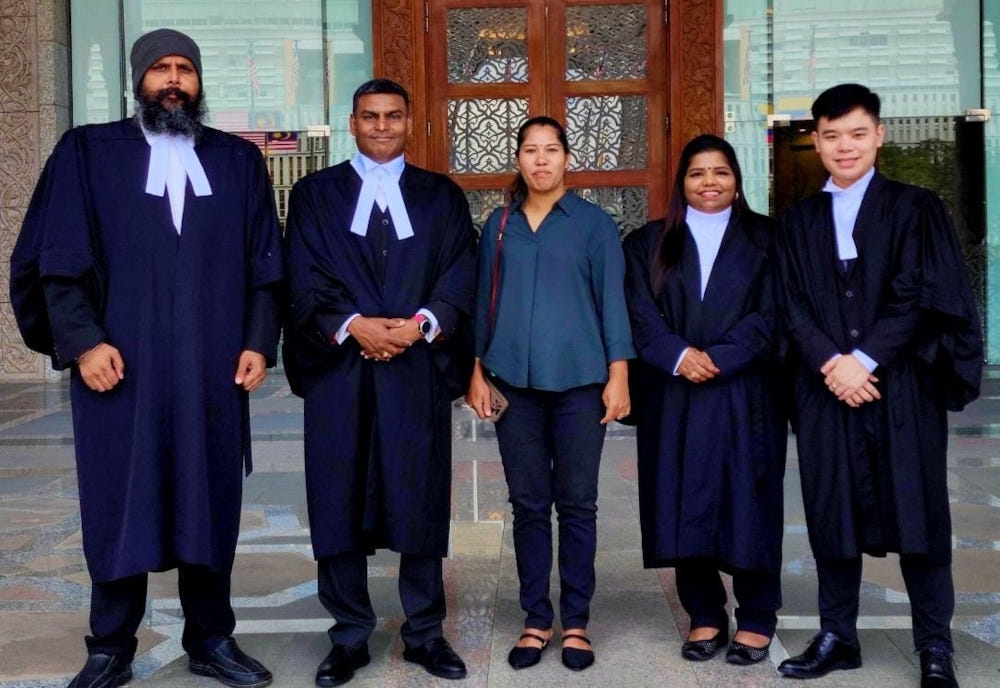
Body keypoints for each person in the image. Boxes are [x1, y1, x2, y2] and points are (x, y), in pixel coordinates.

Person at [14, 28, 283, 688]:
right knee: (119, 499)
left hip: (211, 371)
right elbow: (58, 262)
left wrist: (257, 341)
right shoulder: (87, 153)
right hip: (118, 369)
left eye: (183, 70)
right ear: (138, 81)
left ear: (198, 82)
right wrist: (82, 344)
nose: (172, 81)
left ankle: (212, 640)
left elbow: (266, 269)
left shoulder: (236, 163)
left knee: (209, 500)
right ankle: (110, 646)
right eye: (159, 69)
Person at [773, 83, 982, 688]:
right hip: (825, 391)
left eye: (857, 134)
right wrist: (830, 364)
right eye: (831, 135)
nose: (844, 147)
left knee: (919, 514)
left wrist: (863, 359)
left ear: (880, 135)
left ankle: (934, 646)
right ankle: (839, 636)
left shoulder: (917, 209)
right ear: (815, 139)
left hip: (901, 389)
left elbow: (924, 295)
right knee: (831, 509)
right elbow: (789, 304)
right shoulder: (797, 222)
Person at [283, 78, 476, 686]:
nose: (383, 126)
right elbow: (302, 274)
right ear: (353, 122)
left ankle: (424, 632)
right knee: (338, 498)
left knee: (419, 497)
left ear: (410, 121)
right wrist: (353, 325)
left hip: (415, 370)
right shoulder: (317, 194)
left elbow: (459, 271)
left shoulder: (440, 195)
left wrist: (420, 325)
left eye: (394, 115)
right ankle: (347, 637)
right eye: (371, 117)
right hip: (340, 368)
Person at [465, 116, 634, 672]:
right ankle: (537, 618)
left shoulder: (593, 225)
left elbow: (613, 302)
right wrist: (477, 370)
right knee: (529, 505)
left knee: (578, 505)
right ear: (518, 159)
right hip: (514, 385)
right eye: (531, 151)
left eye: (551, 150)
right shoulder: (499, 225)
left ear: (567, 159)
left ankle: (578, 622)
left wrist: (619, 375)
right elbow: (482, 304)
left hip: (581, 385)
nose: (541, 160)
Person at [622, 134, 787, 666]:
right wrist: (676, 354)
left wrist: (722, 356)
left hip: (744, 391)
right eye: (697, 173)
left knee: (750, 498)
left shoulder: (768, 239)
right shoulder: (648, 242)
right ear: (682, 182)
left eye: (720, 171)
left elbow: (775, 311)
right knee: (683, 498)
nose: (709, 182)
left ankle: (758, 616)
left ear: (737, 180)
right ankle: (705, 613)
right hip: (674, 391)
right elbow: (637, 311)